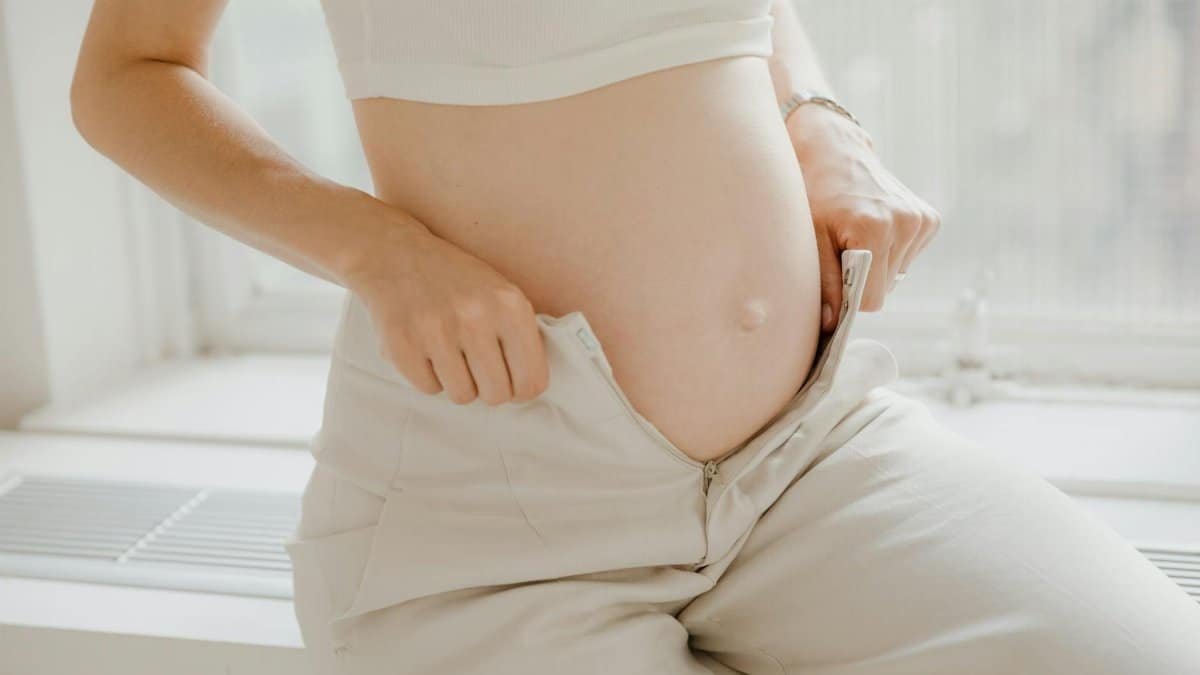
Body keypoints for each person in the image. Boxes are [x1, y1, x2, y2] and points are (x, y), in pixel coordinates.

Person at [70, 1, 1200, 673]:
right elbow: (127, 75)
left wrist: (817, 120)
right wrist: (377, 248)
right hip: (495, 516)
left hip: (808, 452)